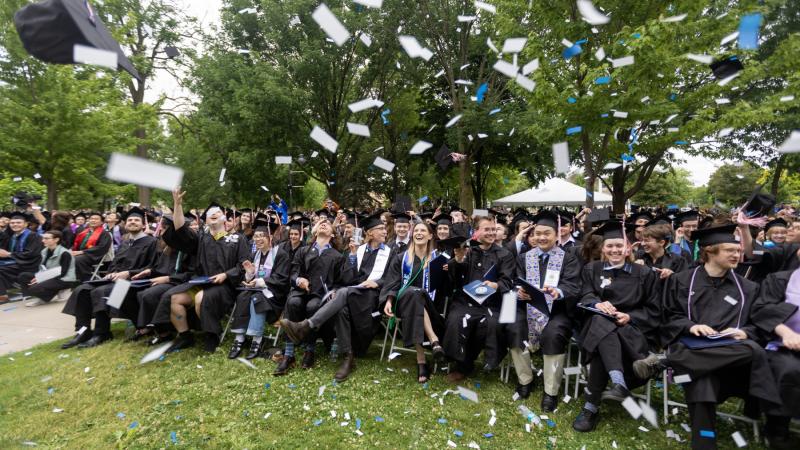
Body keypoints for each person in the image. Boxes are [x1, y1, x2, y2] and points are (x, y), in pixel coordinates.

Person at [649, 224, 782, 450]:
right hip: (691, 345)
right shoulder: (681, 281)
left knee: (752, 348)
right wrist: (691, 326)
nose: (737, 255)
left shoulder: (748, 288)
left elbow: (757, 325)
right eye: (730, 250)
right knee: (705, 377)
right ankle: (705, 442)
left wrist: (744, 331)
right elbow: (668, 316)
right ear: (710, 250)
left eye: (738, 250)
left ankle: (665, 362)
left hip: (732, 361)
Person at [571, 221, 661, 433]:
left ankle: (591, 407)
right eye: (610, 246)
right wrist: (596, 303)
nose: (614, 250)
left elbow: (654, 308)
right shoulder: (592, 269)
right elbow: (585, 294)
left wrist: (629, 316)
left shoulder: (644, 273)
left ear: (628, 248)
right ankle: (619, 382)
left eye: (619, 246)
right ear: (603, 248)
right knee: (601, 320)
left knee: (603, 335)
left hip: (630, 329)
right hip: (596, 323)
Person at [282, 213, 391, 381]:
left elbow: (394, 277)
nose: (385, 231)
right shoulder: (357, 250)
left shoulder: (390, 253)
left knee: (340, 293)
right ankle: (348, 357)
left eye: (385, 228)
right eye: (381, 229)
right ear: (369, 233)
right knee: (340, 309)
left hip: (372, 297)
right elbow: (349, 279)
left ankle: (307, 325)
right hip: (354, 292)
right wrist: (353, 256)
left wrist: (378, 283)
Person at [158, 191, 251, 353]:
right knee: (176, 299)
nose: (213, 214)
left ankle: (211, 333)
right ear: (206, 220)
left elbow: (244, 265)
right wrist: (178, 205)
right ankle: (185, 335)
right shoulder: (201, 238)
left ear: (224, 218)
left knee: (201, 298)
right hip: (201, 283)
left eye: (218, 212)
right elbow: (180, 229)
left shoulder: (237, 239)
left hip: (224, 287)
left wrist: (225, 275)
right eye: (210, 214)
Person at [60, 208, 158, 348]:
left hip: (135, 282)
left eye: (136, 220)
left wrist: (129, 273)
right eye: (130, 220)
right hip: (115, 280)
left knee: (101, 292)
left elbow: (153, 266)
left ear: (143, 225)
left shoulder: (151, 242)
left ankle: (102, 333)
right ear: (125, 224)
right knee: (81, 290)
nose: (132, 222)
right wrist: (111, 273)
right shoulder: (125, 242)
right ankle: (83, 331)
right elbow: (115, 263)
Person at [516, 210, 582, 409]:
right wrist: (518, 291)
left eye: (547, 233)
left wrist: (558, 291)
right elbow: (516, 280)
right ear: (533, 235)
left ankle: (550, 391)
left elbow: (573, 285)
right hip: (528, 308)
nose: (542, 237)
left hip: (557, 310)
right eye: (538, 233)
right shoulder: (524, 257)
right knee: (513, 326)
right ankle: (525, 380)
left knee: (554, 334)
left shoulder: (568, 258)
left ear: (556, 235)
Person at [275, 216, 352, 375]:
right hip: (301, 291)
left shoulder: (337, 256)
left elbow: (342, 281)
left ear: (332, 234)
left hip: (321, 295)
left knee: (313, 306)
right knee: (293, 302)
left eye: (328, 224)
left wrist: (334, 291)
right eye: (321, 224)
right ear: (315, 231)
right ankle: (289, 354)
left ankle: (310, 350)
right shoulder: (304, 251)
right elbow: (293, 273)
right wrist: (299, 280)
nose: (324, 224)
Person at [443, 216, 515, 383]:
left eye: (493, 229)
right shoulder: (468, 251)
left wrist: (496, 285)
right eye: (487, 229)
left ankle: (473, 363)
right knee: (456, 319)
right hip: (465, 301)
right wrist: (458, 259)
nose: (491, 233)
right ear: (476, 232)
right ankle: (459, 364)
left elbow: (507, 280)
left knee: (488, 323)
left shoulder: (505, 254)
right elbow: (455, 279)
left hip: (491, 303)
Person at [380, 221, 447, 383]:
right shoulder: (401, 258)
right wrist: (389, 300)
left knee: (417, 296)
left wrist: (447, 273)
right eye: (416, 230)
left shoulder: (439, 260)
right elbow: (393, 282)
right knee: (413, 294)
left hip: (430, 307)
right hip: (403, 304)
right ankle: (432, 342)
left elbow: (446, 290)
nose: (419, 233)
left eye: (423, 230)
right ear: (412, 234)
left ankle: (422, 359)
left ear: (430, 235)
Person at [228, 215, 291, 360]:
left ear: (269, 237)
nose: (258, 239)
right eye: (255, 236)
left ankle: (257, 340)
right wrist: (250, 274)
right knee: (243, 296)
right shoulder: (255, 254)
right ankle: (239, 339)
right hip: (257, 290)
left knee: (256, 299)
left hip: (274, 295)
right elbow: (252, 276)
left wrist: (260, 281)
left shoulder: (281, 254)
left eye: (262, 236)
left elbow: (281, 279)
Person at [750, 267, 800, 449]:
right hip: (782, 345)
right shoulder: (780, 280)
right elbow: (762, 309)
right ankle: (777, 430)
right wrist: (786, 333)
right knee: (790, 369)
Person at [128, 214, 194, 344]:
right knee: (124, 289)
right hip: (124, 277)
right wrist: (149, 271)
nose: (160, 233)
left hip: (176, 281)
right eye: (129, 220)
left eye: (163, 230)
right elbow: (159, 267)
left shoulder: (188, 248)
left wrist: (166, 278)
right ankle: (141, 326)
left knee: (147, 294)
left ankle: (161, 331)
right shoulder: (164, 247)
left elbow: (192, 272)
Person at [18, 230, 77, 307]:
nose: (43, 240)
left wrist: (41, 278)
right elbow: (43, 267)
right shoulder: (44, 251)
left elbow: (63, 273)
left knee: (33, 288)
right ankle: (51, 293)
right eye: (43, 238)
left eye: (46, 238)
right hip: (49, 275)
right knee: (23, 276)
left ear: (56, 240)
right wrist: (39, 276)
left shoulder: (65, 253)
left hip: (64, 278)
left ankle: (47, 296)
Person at [0, 212, 43, 304]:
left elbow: (31, 254)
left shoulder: (33, 235)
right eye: (12, 223)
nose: (15, 224)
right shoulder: (13, 237)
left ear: (26, 224)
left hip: (30, 264)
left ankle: (2, 296)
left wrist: (8, 254)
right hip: (17, 263)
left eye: (18, 222)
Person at [71, 211, 112, 281]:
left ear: (102, 222)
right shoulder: (84, 232)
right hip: (82, 254)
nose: (93, 220)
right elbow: (76, 244)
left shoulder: (105, 234)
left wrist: (82, 252)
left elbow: (102, 248)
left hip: (94, 256)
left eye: (96, 219)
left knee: (78, 259)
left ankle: (85, 280)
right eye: (91, 219)